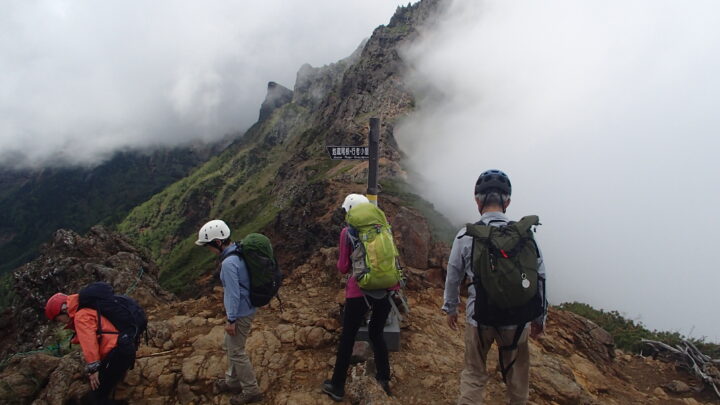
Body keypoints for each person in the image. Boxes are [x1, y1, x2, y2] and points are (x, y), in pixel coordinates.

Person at [442, 170, 547, 405]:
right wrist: (539, 317)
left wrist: (451, 308)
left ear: (477, 200)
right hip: (517, 319)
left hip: (479, 317)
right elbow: (540, 276)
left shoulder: (466, 235)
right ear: (507, 201)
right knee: (517, 378)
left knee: (473, 374)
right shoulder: (524, 234)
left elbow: (453, 274)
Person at [322, 194, 398, 402]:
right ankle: (383, 378)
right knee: (376, 333)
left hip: (358, 292)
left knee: (348, 336)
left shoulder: (347, 233)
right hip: (386, 288)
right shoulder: (384, 228)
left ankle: (337, 386)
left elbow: (343, 267)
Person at [195, 219, 262, 405]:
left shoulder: (228, 263)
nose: (209, 250)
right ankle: (232, 381)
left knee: (237, 352)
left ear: (218, 242)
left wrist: (231, 320)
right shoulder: (237, 250)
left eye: (209, 246)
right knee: (230, 346)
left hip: (241, 313)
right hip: (247, 307)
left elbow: (233, 294)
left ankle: (251, 390)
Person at [45, 291, 136, 405]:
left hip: (117, 352)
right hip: (121, 349)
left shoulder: (81, 317)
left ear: (63, 310)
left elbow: (90, 343)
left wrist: (93, 369)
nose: (61, 322)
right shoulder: (85, 311)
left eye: (59, 319)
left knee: (97, 397)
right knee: (99, 393)